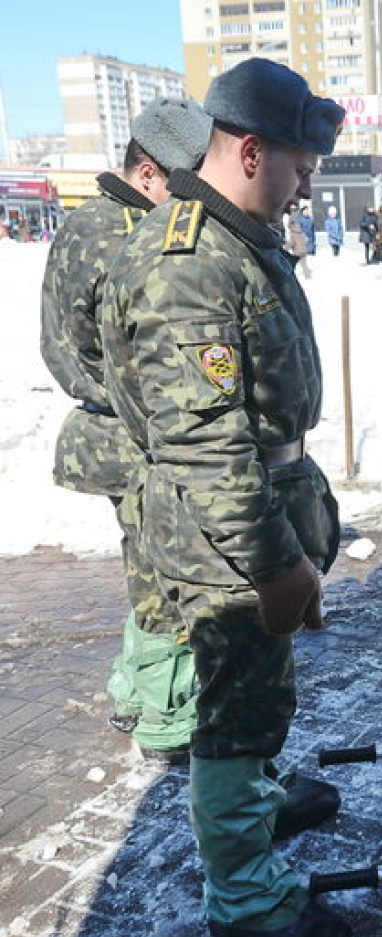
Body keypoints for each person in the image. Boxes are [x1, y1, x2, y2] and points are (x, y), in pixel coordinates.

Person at [98, 58, 351, 937]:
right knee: (235, 714)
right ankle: (246, 896)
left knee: (257, 692)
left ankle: (256, 796)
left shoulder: (235, 235)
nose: (310, 178)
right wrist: (278, 563)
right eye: (300, 160)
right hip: (226, 537)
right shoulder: (188, 263)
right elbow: (209, 447)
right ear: (251, 149)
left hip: (258, 510)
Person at [40, 97, 212, 765]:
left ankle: (136, 689)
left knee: (144, 564)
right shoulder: (123, 237)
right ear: (147, 173)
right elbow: (142, 349)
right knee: (167, 572)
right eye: (183, 181)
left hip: (115, 429)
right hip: (132, 433)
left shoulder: (96, 221)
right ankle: (167, 721)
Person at [283, 203, 311, 278]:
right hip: (303, 251)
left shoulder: (293, 234)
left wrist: (284, 248)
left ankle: (292, 276)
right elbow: (306, 240)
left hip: (297, 252)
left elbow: (291, 243)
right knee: (304, 264)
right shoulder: (301, 233)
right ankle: (307, 275)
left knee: (292, 263)